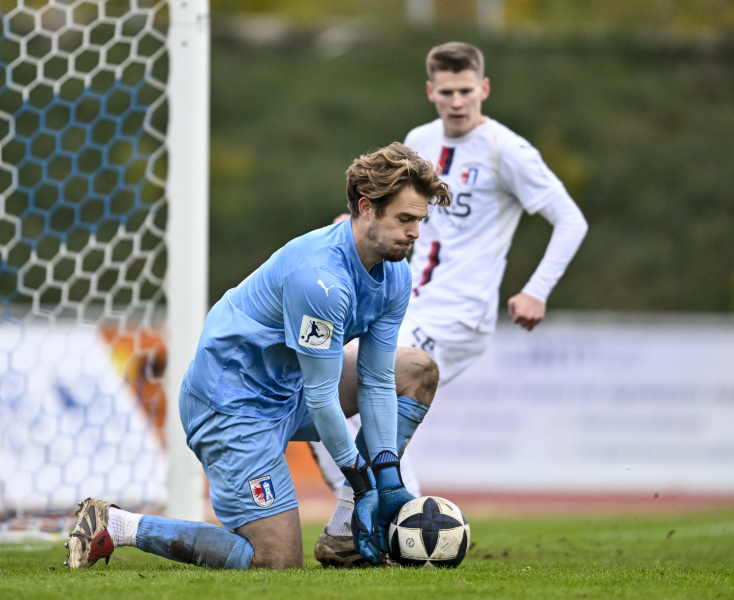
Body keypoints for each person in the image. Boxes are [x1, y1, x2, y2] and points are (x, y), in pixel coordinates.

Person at [62, 142, 451, 571]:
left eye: (419, 220)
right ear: (366, 208)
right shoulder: (320, 280)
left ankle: (344, 537)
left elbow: (377, 380)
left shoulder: (395, 271)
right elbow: (322, 398)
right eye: (405, 219)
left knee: (415, 370)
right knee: (276, 561)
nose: (415, 232)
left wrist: (389, 480)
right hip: (232, 406)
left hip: (289, 388)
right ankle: (118, 525)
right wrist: (363, 486)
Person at [312, 41, 589, 568]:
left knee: (380, 401)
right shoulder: (420, 140)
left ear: (483, 89)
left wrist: (538, 288)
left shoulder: (508, 151)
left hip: (459, 316)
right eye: (447, 92)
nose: (457, 101)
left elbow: (570, 219)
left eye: (467, 91)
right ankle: (397, 529)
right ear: (430, 92)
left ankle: (363, 530)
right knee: (327, 404)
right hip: (402, 301)